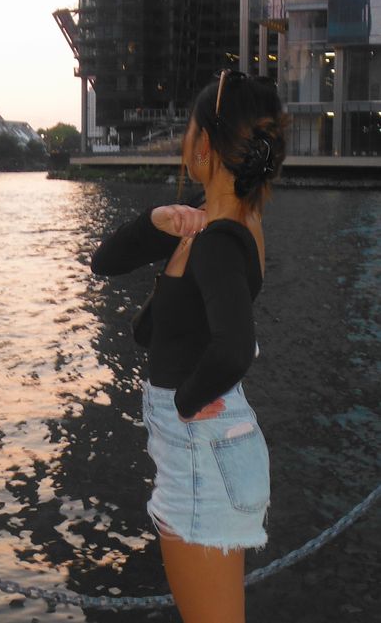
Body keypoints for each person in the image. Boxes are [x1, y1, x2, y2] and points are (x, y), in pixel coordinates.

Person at [91, 69, 288, 623]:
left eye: (189, 129)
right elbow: (105, 264)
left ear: (205, 143)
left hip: (200, 451)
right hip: (203, 452)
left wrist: (183, 407)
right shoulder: (221, 226)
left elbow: (234, 348)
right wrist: (158, 222)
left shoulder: (221, 242)